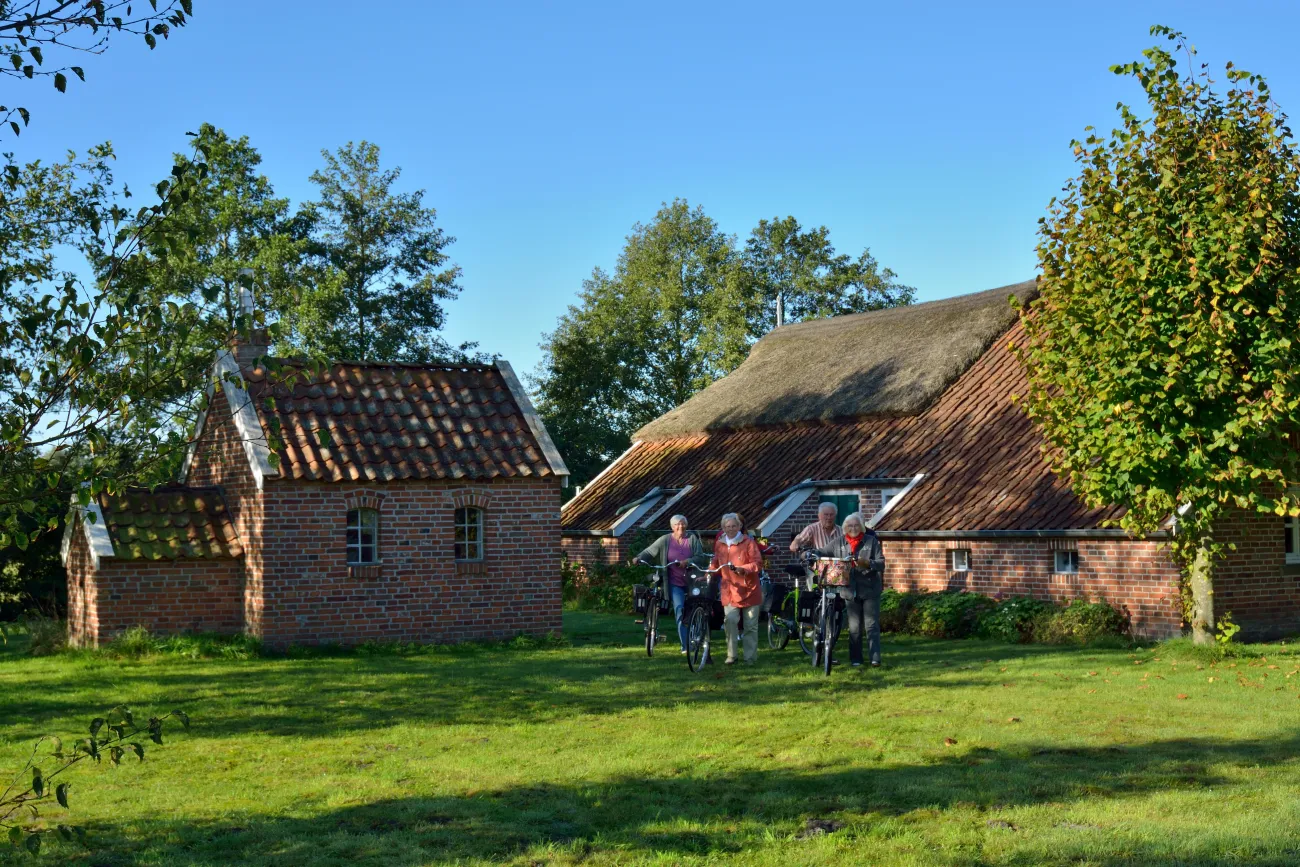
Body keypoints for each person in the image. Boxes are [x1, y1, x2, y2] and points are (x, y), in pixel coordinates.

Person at [811, 511, 886, 667]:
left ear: (862, 527)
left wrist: (868, 563)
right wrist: (810, 553)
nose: (853, 528)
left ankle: (875, 658)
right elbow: (823, 551)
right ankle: (856, 659)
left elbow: (881, 563)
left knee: (871, 625)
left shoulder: (871, 541)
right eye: (850, 525)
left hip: (870, 588)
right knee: (854, 627)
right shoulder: (839, 542)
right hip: (850, 590)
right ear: (845, 527)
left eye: (856, 525)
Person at [634, 515, 710, 654]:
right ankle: (685, 645)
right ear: (672, 527)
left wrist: (687, 561)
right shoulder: (665, 540)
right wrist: (638, 558)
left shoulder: (692, 539)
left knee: (693, 610)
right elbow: (650, 551)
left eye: (682, 524)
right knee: (679, 609)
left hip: (692, 581)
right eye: (677, 524)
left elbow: (700, 557)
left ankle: (696, 636)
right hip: (674, 582)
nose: (680, 527)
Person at [710, 512, 764, 665]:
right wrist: (709, 572)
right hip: (729, 589)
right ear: (723, 528)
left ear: (739, 526)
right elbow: (716, 561)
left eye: (734, 526)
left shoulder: (749, 542)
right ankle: (731, 656)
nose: (731, 529)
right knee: (730, 621)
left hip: (750, 589)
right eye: (727, 526)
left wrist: (743, 569)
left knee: (750, 626)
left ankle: (750, 658)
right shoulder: (720, 543)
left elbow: (758, 563)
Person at [790, 502, 846, 584]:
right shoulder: (812, 529)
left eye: (831, 514)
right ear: (819, 516)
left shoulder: (841, 531)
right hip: (817, 569)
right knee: (815, 589)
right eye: (826, 514)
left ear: (835, 515)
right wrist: (795, 543)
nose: (829, 517)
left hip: (837, 570)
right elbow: (800, 538)